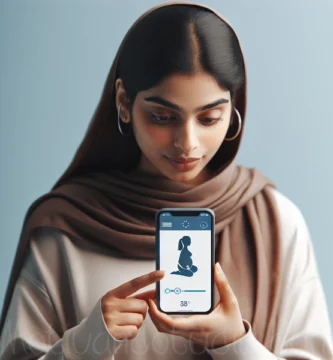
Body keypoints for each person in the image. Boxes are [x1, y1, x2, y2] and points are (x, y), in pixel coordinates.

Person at [0, 2, 332, 359]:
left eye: (209, 118)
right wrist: (87, 342)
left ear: (233, 110)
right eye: (162, 116)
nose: (186, 143)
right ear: (124, 102)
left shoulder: (276, 223)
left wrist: (236, 344)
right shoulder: (64, 231)